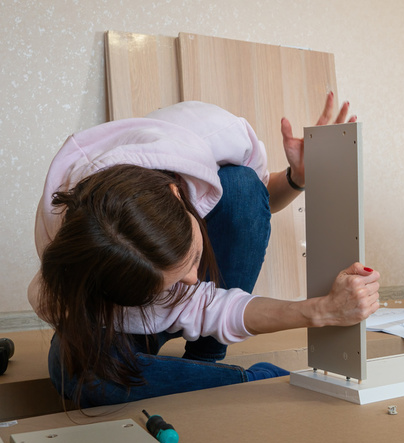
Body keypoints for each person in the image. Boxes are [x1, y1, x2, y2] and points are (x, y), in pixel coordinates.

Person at [28, 93, 381, 408]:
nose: (196, 280)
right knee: (73, 370)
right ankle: (243, 382)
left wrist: (294, 178)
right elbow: (201, 303)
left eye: (193, 259)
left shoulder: (216, 134)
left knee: (241, 185)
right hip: (125, 309)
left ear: (178, 193)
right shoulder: (72, 256)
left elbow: (252, 209)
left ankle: (204, 359)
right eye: (172, 281)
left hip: (194, 184)